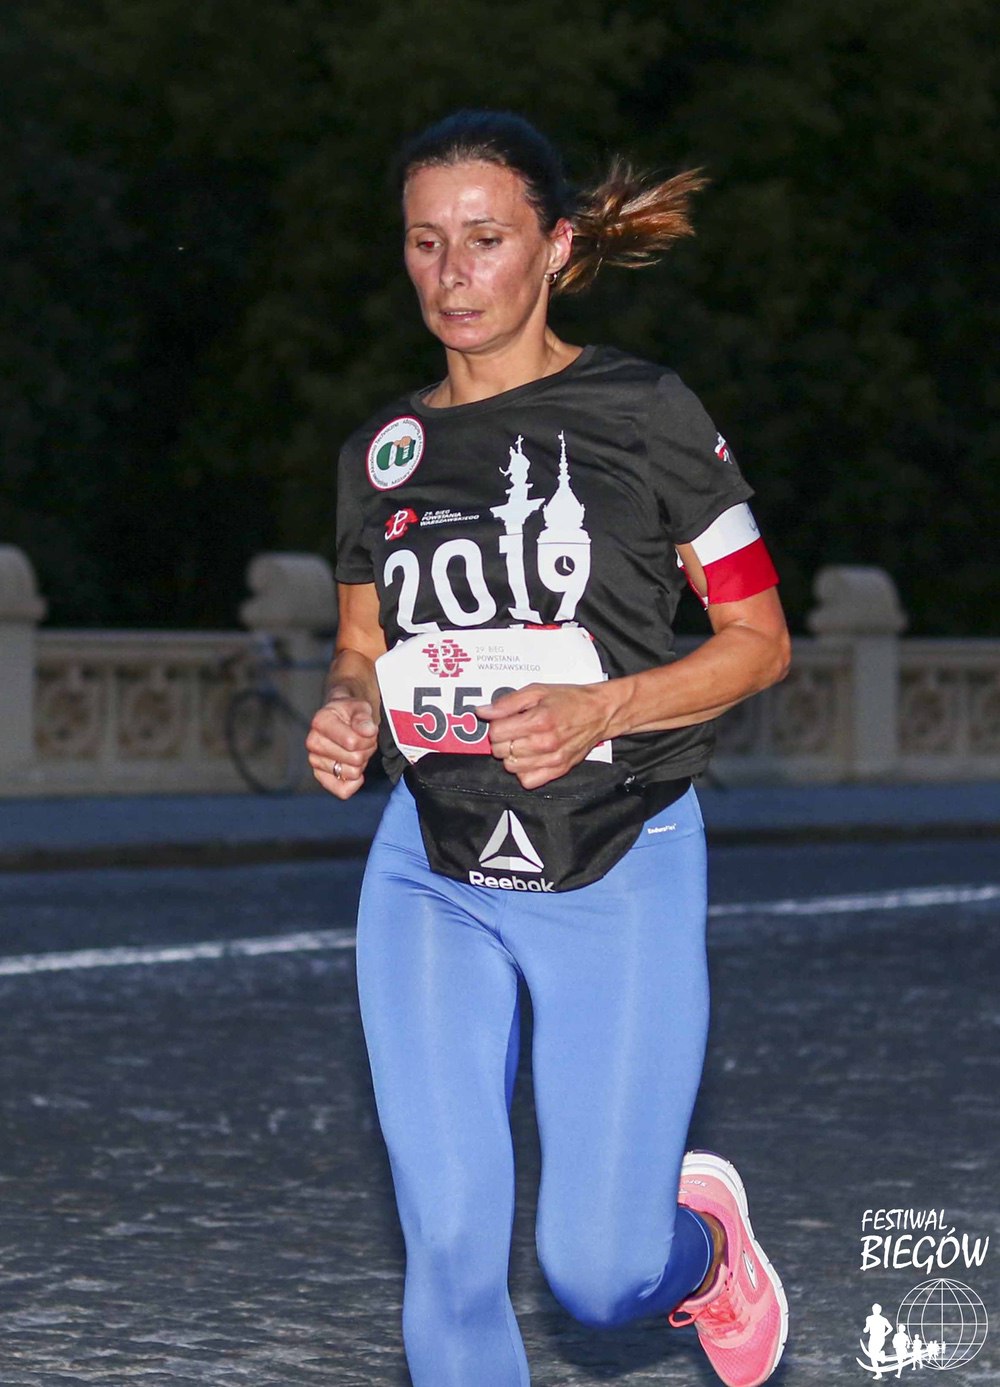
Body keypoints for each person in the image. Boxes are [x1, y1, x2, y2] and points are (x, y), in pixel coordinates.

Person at [307, 109, 791, 1387]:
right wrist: (349, 705)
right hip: (431, 867)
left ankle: (702, 1253)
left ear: (556, 247)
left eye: (485, 239)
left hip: (616, 857)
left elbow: (758, 643)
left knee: (597, 1271)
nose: (451, 273)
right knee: (448, 1247)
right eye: (425, 242)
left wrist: (601, 707)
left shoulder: (645, 412)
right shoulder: (382, 455)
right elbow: (361, 642)